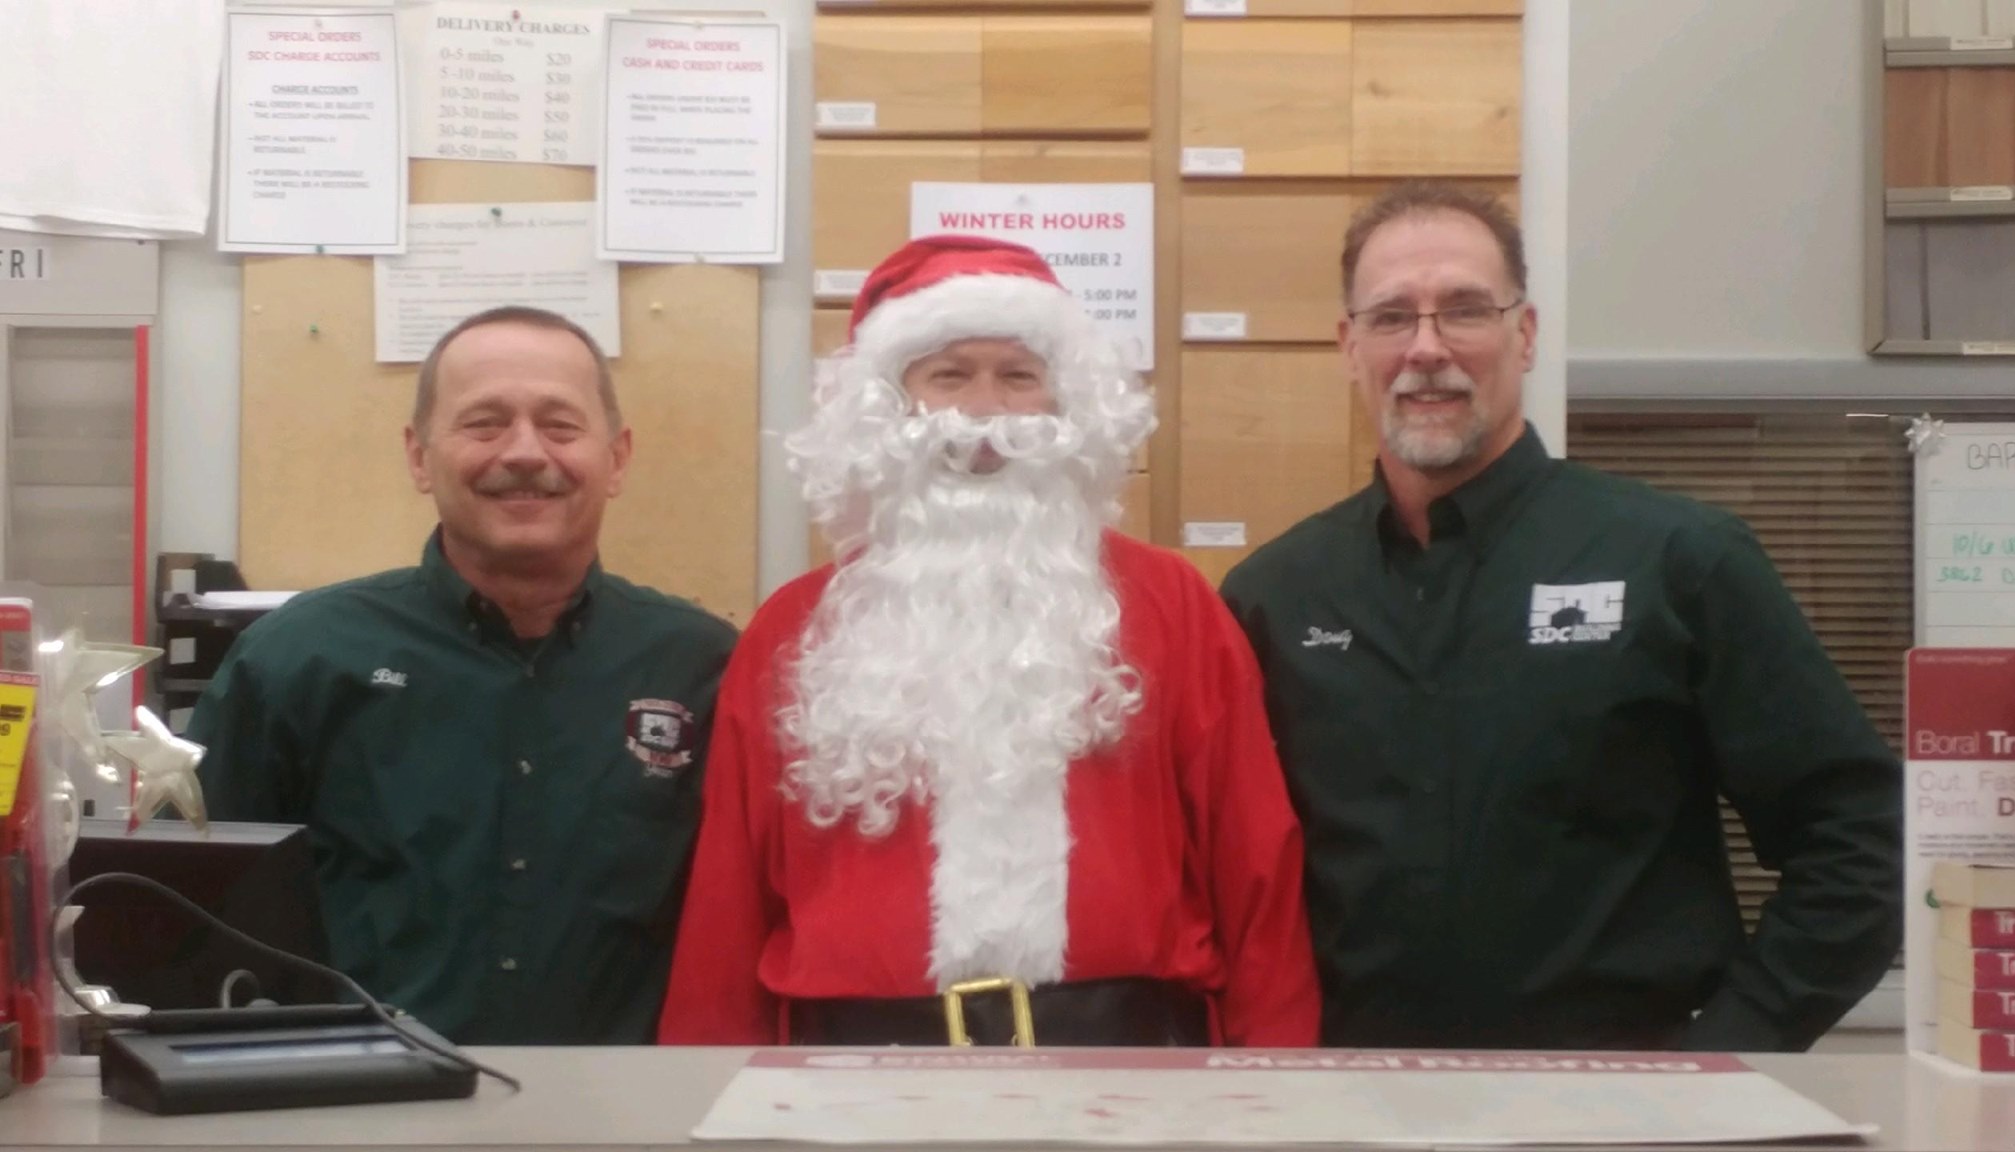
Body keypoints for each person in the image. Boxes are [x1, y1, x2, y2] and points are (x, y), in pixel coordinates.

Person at [1220, 182, 1903, 1052]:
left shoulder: (1676, 560)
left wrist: (1729, 1049)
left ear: (1527, 334)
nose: (1426, 349)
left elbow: (1859, 837)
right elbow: (1229, 880)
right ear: (1350, 348)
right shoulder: (1276, 597)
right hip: (1353, 1099)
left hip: (1627, 1106)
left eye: (1465, 309)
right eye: (1391, 317)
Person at [657, 236, 1318, 1047]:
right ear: (889, 408)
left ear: (1065, 404)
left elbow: (1257, 871)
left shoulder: (1172, 606)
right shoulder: (792, 631)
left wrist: (1280, 1084)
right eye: (948, 376)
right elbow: (727, 903)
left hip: (1125, 1061)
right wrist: (705, 1090)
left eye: (1018, 376)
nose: (984, 412)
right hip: (857, 1073)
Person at [190, 305, 738, 1045]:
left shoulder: (701, 667)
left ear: (617, 457)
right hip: (362, 1095)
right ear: (419, 457)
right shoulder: (298, 659)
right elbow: (195, 913)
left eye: (561, 425)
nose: (525, 452)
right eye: (484, 423)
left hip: (626, 1099)